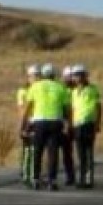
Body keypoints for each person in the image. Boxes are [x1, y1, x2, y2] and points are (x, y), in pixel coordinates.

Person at [19, 63, 71, 191]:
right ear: (54, 75)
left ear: (42, 75)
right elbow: (67, 109)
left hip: (39, 122)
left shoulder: (35, 86)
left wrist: (23, 125)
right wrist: (67, 123)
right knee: (53, 152)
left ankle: (35, 179)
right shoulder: (60, 87)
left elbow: (28, 107)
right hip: (55, 122)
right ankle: (52, 180)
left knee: (38, 151)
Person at [69, 64, 102, 188]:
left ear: (84, 76)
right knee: (80, 153)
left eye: (79, 75)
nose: (77, 78)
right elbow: (72, 109)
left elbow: (98, 107)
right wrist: (71, 124)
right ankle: (82, 178)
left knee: (88, 152)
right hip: (77, 124)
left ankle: (88, 179)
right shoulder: (73, 92)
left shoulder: (92, 89)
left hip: (89, 123)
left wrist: (98, 123)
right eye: (75, 75)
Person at [16, 64, 40, 187]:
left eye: (37, 76)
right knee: (27, 149)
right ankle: (26, 175)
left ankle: (33, 175)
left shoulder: (40, 89)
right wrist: (22, 125)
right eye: (33, 76)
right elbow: (21, 108)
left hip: (38, 121)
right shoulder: (23, 91)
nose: (35, 78)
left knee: (35, 149)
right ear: (28, 77)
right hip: (28, 122)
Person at [58, 65, 78, 186]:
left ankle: (71, 176)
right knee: (60, 151)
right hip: (62, 121)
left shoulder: (77, 90)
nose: (70, 78)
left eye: (72, 76)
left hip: (75, 121)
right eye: (67, 76)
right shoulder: (60, 89)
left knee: (68, 151)